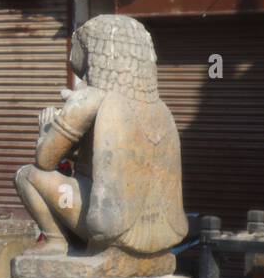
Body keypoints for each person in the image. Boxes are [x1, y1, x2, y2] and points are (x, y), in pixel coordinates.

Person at [14, 14, 187, 257]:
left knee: (27, 175)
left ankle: (55, 241)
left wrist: (46, 129)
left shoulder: (92, 98)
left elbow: (45, 160)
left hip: (111, 225)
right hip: (161, 231)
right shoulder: (161, 109)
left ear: (92, 51)